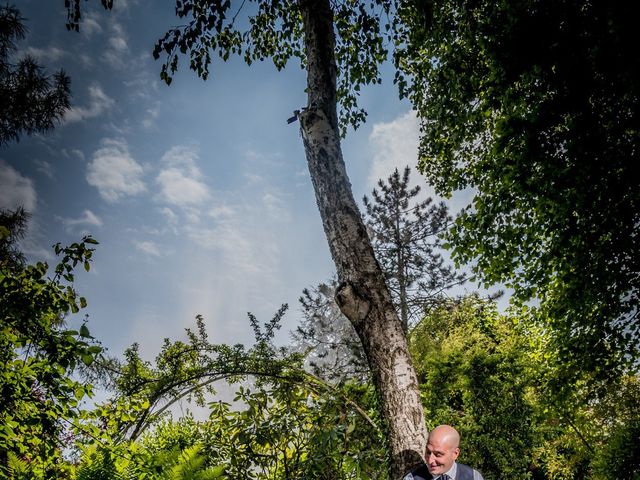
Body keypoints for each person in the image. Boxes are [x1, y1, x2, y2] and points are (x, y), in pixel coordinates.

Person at [405, 425, 484, 480]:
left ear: (455, 454)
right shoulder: (412, 478)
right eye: (428, 452)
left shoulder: (473, 477)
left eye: (438, 454)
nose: (430, 460)